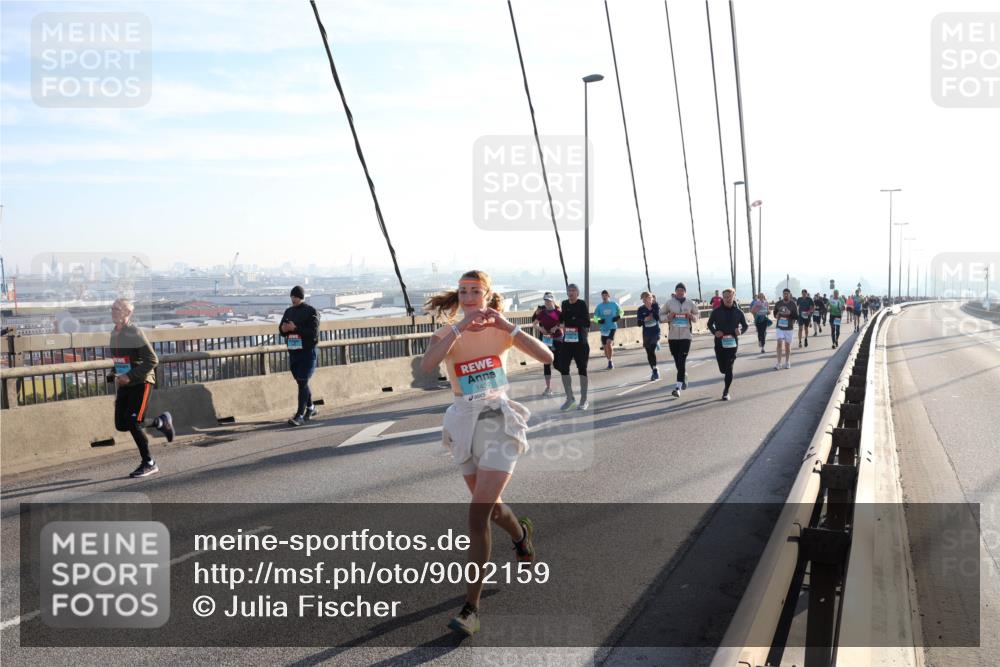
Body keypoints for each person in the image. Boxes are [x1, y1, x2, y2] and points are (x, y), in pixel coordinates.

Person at [419, 270, 552, 637]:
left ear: (488, 295)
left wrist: (509, 327)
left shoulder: (501, 331)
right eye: (463, 292)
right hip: (464, 422)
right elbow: (427, 367)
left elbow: (547, 355)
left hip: (498, 421)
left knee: (477, 515)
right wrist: (459, 328)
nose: (468, 297)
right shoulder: (448, 333)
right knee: (492, 509)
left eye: (475, 291)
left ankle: (471, 609)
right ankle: (521, 534)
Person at [109, 298, 174, 478]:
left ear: (128, 313)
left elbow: (153, 360)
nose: (113, 311)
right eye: (112, 308)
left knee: (133, 422)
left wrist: (129, 375)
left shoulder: (135, 333)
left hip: (141, 382)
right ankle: (160, 422)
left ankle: (149, 463)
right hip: (125, 383)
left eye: (117, 309)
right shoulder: (114, 333)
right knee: (121, 424)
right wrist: (114, 372)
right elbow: (121, 359)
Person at [279, 286, 321, 426]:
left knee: (302, 381)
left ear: (301, 297)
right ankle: (311, 408)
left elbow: (313, 332)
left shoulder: (311, 311)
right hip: (294, 351)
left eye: (296, 296)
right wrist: (283, 329)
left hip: (307, 352)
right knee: (301, 382)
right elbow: (281, 329)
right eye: (292, 296)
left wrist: (295, 328)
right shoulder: (289, 311)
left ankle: (300, 415)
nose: (293, 299)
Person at [707, 287, 748, 400]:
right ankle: (725, 372)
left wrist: (740, 331)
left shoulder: (738, 312)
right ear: (722, 298)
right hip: (719, 342)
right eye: (725, 297)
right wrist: (715, 332)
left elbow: (745, 326)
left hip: (732, 343)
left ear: (733, 297)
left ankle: (726, 391)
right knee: (723, 369)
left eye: (729, 297)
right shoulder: (716, 311)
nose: (727, 299)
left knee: (729, 368)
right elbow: (709, 324)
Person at [557, 283, 592, 411]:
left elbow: (586, 322)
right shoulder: (564, 304)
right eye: (569, 290)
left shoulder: (581, 304)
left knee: (582, 370)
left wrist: (571, 321)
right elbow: (561, 319)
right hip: (567, 342)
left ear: (577, 293)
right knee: (563, 368)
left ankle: (584, 399)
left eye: (573, 290)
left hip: (580, 343)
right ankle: (570, 398)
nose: (570, 292)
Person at [663, 282, 699, 397]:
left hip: (686, 336)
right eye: (678, 290)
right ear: (675, 291)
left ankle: (677, 388)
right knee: (677, 361)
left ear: (685, 292)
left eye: (682, 290)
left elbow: (697, 316)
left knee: (682, 360)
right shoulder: (669, 303)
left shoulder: (690, 303)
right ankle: (684, 375)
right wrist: (668, 317)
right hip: (673, 336)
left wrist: (691, 316)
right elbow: (660, 316)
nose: (680, 292)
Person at [530, 292, 561, 396]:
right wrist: (541, 329)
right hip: (546, 340)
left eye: (548, 300)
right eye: (545, 300)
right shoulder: (542, 312)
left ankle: (566, 377)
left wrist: (556, 327)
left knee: (557, 364)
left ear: (553, 301)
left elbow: (564, 323)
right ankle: (548, 388)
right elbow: (534, 323)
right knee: (546, 363)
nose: (547, 302)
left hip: (557, 339)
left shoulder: (558, 311)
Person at [593, 289, 622, 370]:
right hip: (603, 328)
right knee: (605, 347)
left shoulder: (614, 304)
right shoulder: (599, 306)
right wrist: (599, 321)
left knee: (609, 343)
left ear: (609, 296)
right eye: (603, 296)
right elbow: (594, 317)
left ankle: (610, 362)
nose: (604, 297)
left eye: (606, 295)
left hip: (612, 327)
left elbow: (621, 311)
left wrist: (618, 317)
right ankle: (609, 360)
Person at [636, 291, 661, 381]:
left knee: (652, 350)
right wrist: (645, 319)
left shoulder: (655, 306)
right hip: (646, 333)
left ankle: (655, 370)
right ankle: (654, 369)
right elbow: (639, 323)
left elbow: (658, 318)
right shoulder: (640, 309)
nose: (646, 300)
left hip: (655, 332)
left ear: (651, 298)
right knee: (649, 353)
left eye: (648, 298)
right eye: (644, 299)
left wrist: (652, 311)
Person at [773, 288, 798, 369]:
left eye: (787, 294)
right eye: (784, 294)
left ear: (789, 295)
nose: (786, 295)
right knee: (779, 342)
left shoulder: (793, 304)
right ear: (783, 294)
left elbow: (796, 316)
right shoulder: (778, 303)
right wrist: (776, 315)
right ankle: (779, 363)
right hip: (779, 327)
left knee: (787, 345)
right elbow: (775, 314)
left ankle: (787, 362)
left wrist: (789, 313)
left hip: (789, 327)